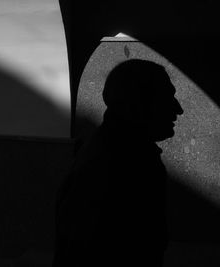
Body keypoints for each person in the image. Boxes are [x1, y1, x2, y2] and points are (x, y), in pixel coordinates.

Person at [53, 59, 183, 267]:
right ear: (138, 105)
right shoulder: (119, 166)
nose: (178, 109)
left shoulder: (117, 155)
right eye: (167, 98)